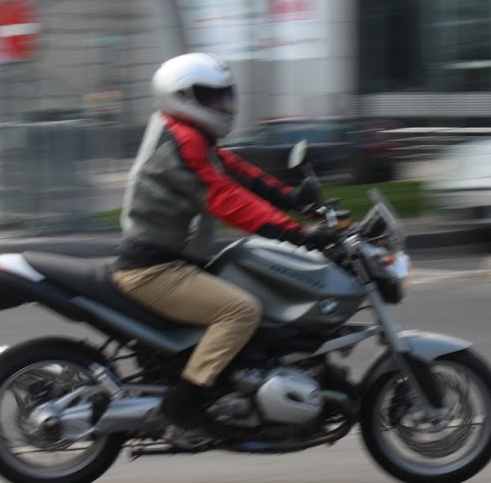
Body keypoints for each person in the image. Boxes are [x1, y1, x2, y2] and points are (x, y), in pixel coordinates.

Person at [112, 52, 335, 435]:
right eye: (212, 96)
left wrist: (294, 199)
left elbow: (239, 174)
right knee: (241, 312)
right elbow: (225, 197)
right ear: (182, 97)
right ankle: (184, 401)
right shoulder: (181, 142)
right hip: (154, 269)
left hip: (173, 260)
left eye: (225, 95)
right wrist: (298, 234)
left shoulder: (188, 136)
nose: (223, 105)